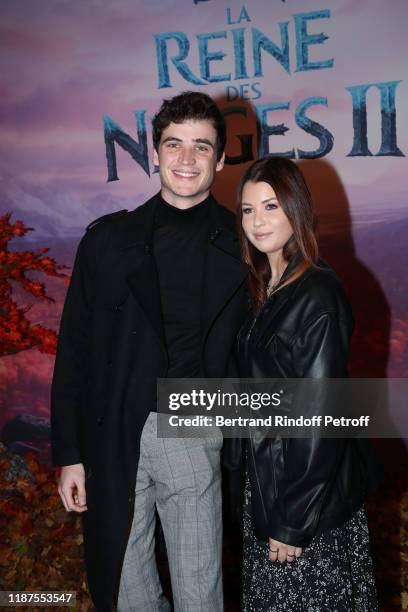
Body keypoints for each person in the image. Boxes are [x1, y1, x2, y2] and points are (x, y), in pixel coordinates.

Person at [51, 91, 248, 612]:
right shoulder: (107, 241)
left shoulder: (244, 242)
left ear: (221, 158)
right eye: (173, 144)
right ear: (154, 153)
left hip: (196, 426)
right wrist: (68, 453)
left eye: (201, 147)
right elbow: (74, 349)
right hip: (114, 428)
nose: (186, 159)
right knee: (125, 588)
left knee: (200, 594)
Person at [235, 156, 378, 611]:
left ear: (295, 209)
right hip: (271, 487)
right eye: (247, 209)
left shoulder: (317, 292)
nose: (257, 221)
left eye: (270, 206)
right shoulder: (266, 283)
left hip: (302, 503)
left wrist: (293, 520)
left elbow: (321, 417)